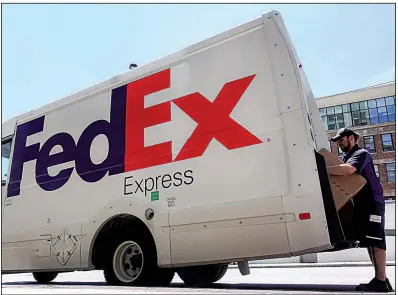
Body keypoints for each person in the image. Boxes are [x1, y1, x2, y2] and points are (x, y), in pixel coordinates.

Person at [327, 127, 393, 293]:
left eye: (341, 140)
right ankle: (382, 279)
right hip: (363, 205)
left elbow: (348, 170)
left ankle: (380, 281)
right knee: (370, 241)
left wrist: (321, 170)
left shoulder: (361, 153)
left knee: (377, 241)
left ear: (351, 138)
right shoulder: (347, 156)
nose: (339, 144)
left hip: (373, 202)